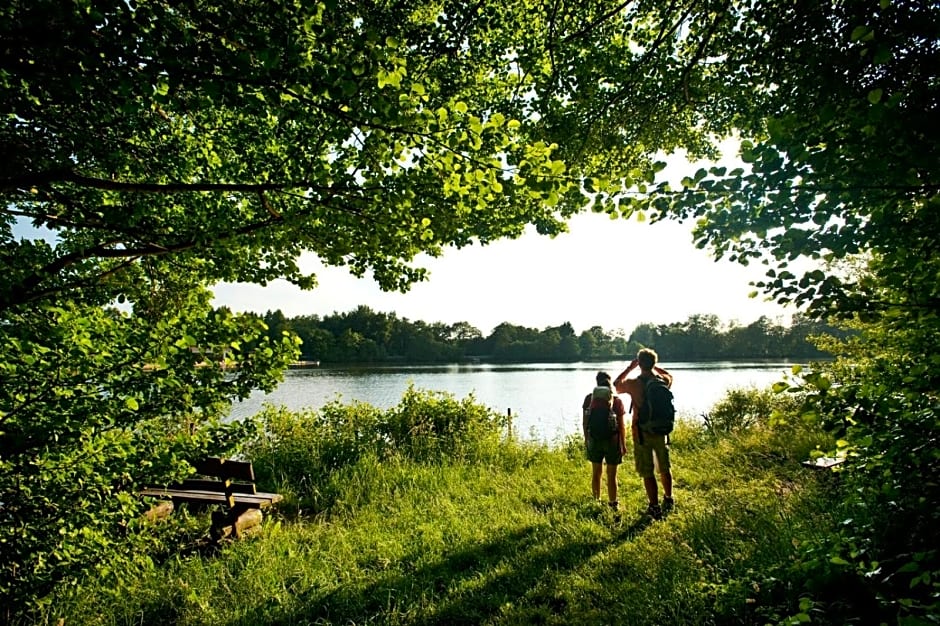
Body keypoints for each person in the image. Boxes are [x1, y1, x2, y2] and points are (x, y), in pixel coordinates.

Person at [614, 348, 674, 519]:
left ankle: (654, 507)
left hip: (642, 432)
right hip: (661, 431)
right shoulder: (662, 380)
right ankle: (669, 498)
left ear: (639, 363)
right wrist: (655, 367)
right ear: (654, 363)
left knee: (647, 471)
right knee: (664, 466)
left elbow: (617, 385)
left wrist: (629, 368)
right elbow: (670, 376)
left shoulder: (634, 383)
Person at [582, 371, 627, 510]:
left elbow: (585, 422)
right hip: (612, 440)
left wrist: (587, 439)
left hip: (594, 439)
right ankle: (613, 503)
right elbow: (621, 425)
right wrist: (623, 444)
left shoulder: (589, 399)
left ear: (597, 382)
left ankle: (596, 500)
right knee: (612, 475)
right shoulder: (617, 400)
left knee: (596, 473)